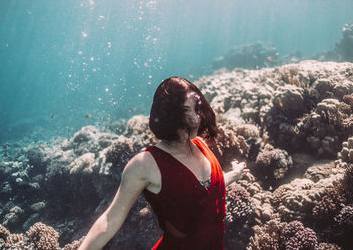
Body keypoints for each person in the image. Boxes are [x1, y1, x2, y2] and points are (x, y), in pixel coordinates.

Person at [79, 77, 248, 250]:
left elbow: (204, 193)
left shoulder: (200, 145)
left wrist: (234, 174)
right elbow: (110, 219)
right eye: (185, 110)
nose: (196, 119)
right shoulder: (144, 165)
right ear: (168, 114)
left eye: (197, 109)